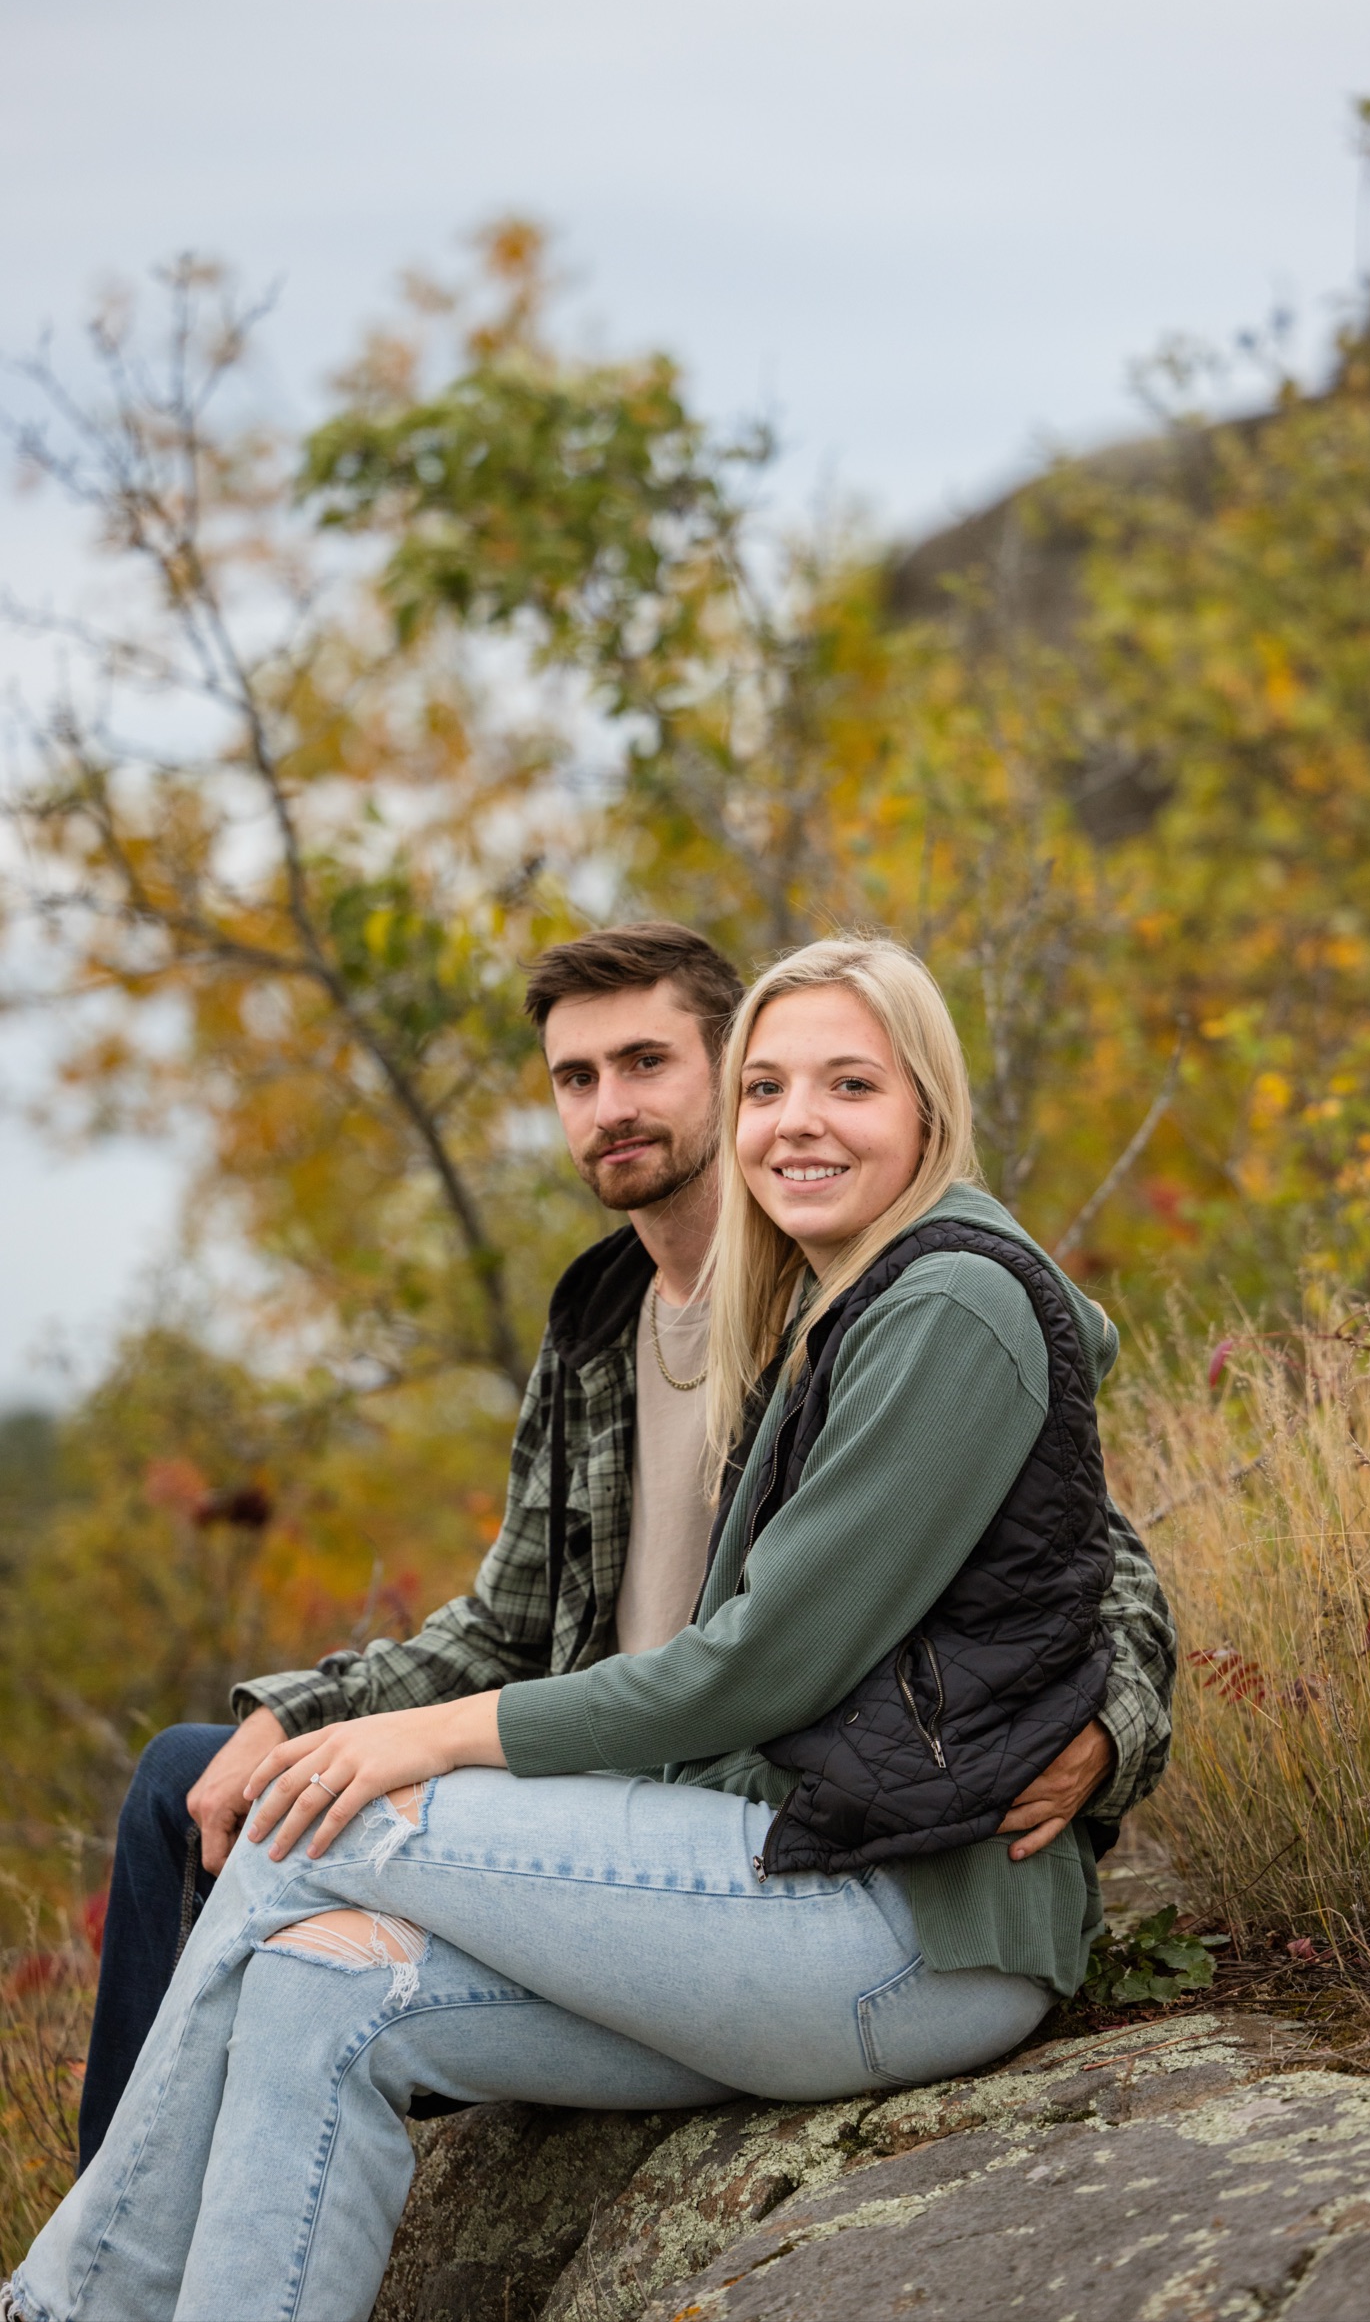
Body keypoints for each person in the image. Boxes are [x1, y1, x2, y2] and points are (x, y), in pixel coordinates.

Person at [10, 934, 1172, 2322]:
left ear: (926, 1104)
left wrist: (1108, 1728)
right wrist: (314, 1706)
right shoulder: (631, 1316)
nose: (793, 1121)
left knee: (302, 1822)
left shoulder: (928, 1301)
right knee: (312, 1979)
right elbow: (506, 1617)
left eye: (847, 1085)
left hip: (882, 1891)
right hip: (709, 1855)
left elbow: (1081, 1575)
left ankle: (76, 2303)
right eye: (579, 1076)